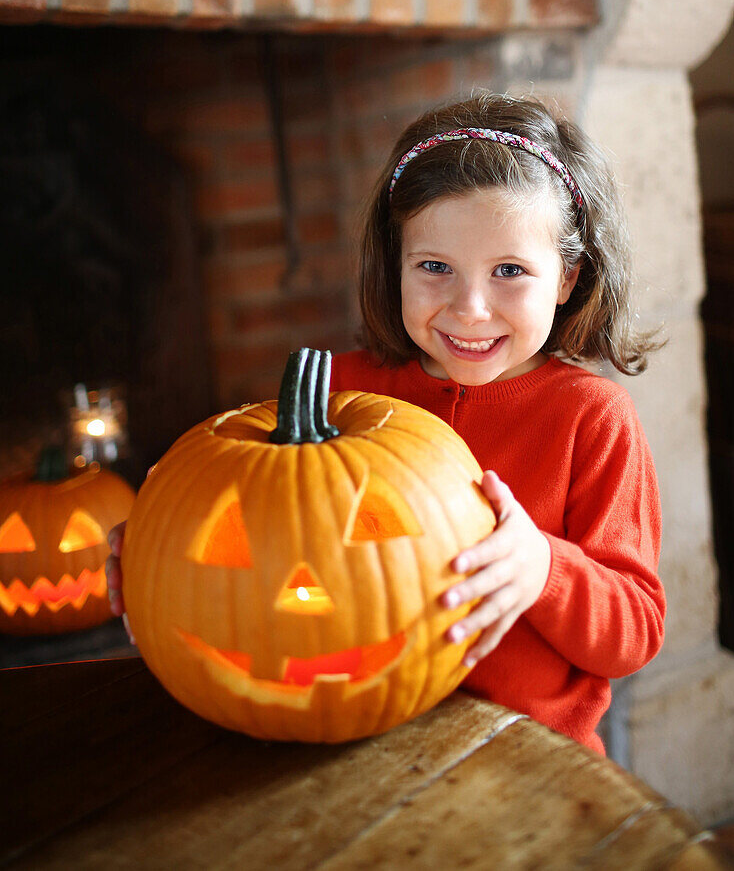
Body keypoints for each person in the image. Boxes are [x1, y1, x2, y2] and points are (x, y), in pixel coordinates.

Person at [107, 91, 665, 755]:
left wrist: (543, 568)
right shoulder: (342, 392)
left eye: (510, 272)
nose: (470, 309)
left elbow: (634, 631)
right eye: (435, 268)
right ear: (394, 262)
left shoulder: (592, 418)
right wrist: (164, 558)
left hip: (528, 762)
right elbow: (266, 523)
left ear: (567, 278)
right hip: (359, 749)